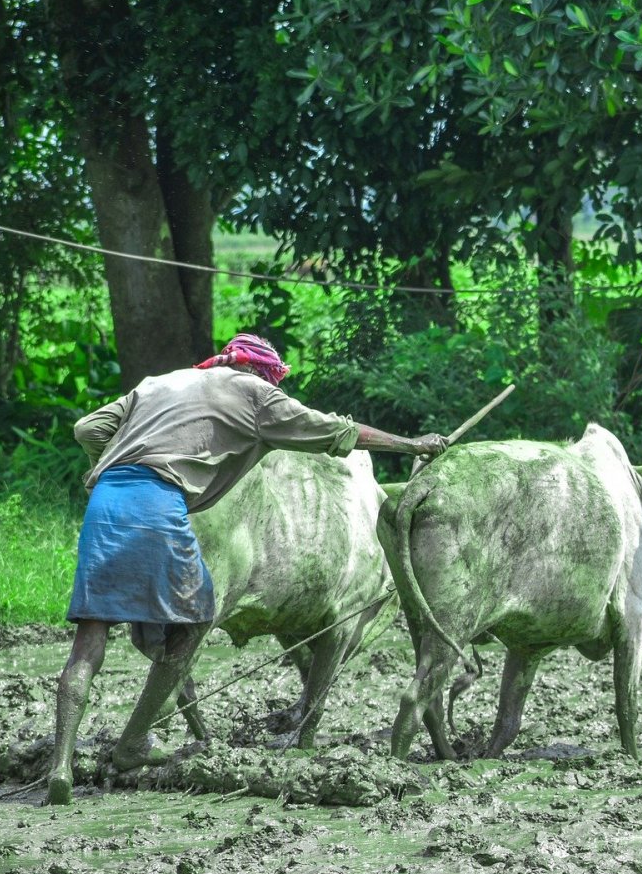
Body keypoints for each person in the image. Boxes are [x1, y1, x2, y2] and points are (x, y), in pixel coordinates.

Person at [45, 333, 447, 805]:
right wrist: (412, 444)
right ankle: (133, 742)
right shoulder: (255, 395)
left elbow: (87, 429)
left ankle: (61, 767)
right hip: (160, 503)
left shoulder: (161, 383)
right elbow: (340, 433)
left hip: (105, 503)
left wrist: (110, 465)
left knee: (90, 638)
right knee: (193, 624)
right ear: (261, 373)